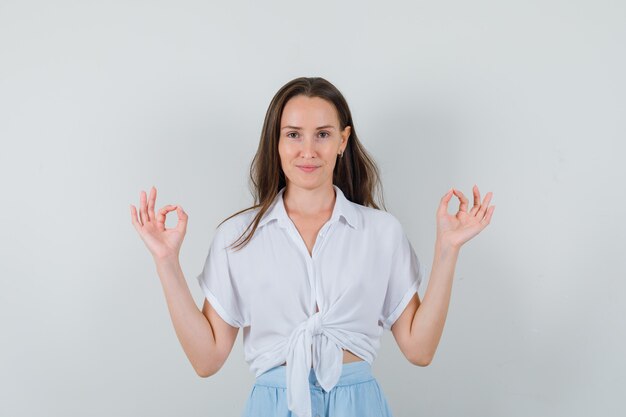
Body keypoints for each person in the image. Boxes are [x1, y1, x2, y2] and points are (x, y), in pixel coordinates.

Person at [130, 76, 495, 417]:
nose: (308, 150)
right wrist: (166, 261)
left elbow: (420, 350)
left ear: (343, 140)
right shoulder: (237, 236)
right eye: (293, 134)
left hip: (358, 403)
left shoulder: (381, 232)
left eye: (322, 134)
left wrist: (448, 249)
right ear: (276, 141)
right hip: (274, 403)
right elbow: (206, 359)